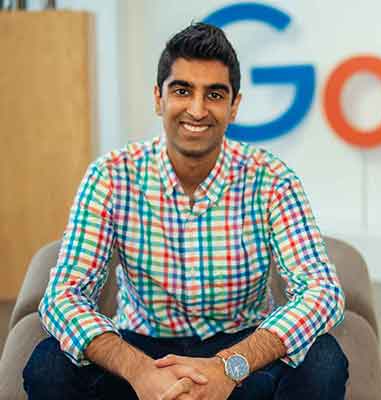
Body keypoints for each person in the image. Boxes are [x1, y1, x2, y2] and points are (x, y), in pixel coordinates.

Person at [23, 23, 348, 400]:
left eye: (214, 94)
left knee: (324, 361)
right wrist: (139, 371)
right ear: (158, 98)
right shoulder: (111, 175)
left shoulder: (272, 179)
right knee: (48, 365)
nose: (197, 109)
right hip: (142, 349)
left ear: (234, 106)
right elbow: (64, 294)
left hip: (240, 356)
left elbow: (322, 292)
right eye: (182, 90)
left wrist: (230, 365)